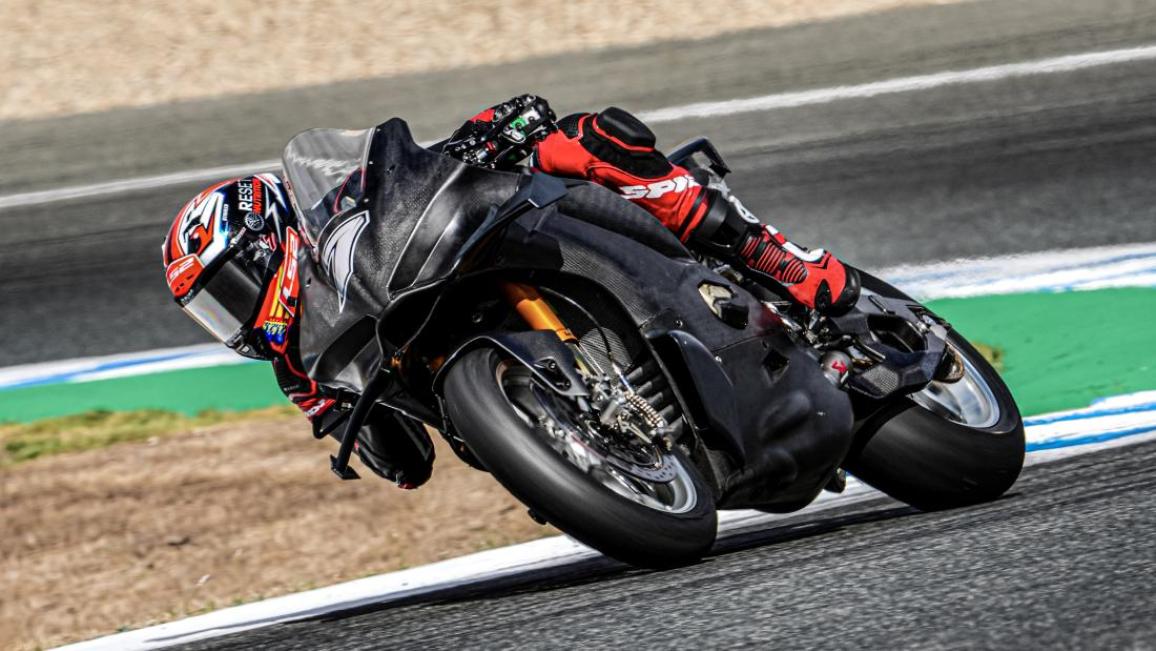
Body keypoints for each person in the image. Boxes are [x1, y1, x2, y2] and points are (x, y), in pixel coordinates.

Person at [161, 95, 859, 489]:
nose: (234, 314)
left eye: (230, 287)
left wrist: (487, 135)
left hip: (476, 243)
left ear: (268, 236)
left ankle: (778, 258)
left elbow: (412, 176)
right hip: (457, 362)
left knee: (580, 139)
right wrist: (363, 430)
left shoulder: (341, 201)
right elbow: (408, 465)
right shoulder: (299, 367)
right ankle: (595, 446)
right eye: (211, 310)